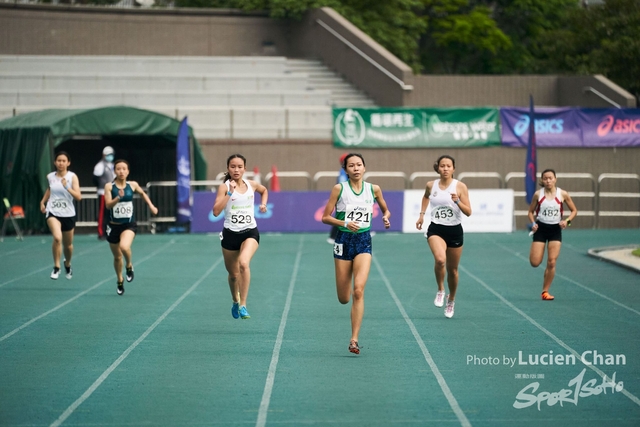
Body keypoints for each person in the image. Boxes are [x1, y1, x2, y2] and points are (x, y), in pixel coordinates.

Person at [321, 153, 391, 355]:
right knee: (344, 298)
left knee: (358, 290)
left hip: (363, 241)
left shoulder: (374, 189)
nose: (356, 168)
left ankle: (354, 339)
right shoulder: (339, 189)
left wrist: (386, 218)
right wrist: (343, 223)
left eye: (359, 164)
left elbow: (386, 210)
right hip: (343, 241)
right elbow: (326, 217)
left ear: (364, 168)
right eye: (351, 165)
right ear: (346, 170)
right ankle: (346, 301)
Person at [212, 154, 268, 320]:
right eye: (233, 167)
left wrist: (263, 204)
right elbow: (215, 212)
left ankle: (243, 304)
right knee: (233, 275)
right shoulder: (225, 187)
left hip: (250, 231)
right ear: (228, 168)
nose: (236, 170)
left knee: (244, 263)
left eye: (240, 167)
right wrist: (229, 194)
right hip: (230, 234)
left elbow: (264, 190)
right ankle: (235, 300)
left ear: (245, 168)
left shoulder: (251, 184)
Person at [416, 155, 471, 319]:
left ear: (453, 169)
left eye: (448, 166)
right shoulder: (430, 185)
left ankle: (451, 300)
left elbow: (468, 212)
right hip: (436, 229)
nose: (445, 169)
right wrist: (421, 215)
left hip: (454, 230)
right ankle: (440, 289)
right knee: (440, 260)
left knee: (452, 270)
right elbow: (426, 196)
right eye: (442, 166)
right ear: (438, 168)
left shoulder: (460, 187)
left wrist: (458, 201)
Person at [104, 159, 158, 295]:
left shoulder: (132, 185)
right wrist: (118, 198)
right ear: (115, 171)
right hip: (113, 226)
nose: (121, 171)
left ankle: (129, 265)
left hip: (128, 225)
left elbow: (142, 193)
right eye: (118, 169)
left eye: (124, 169)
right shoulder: (109, 187)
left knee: (124, 247)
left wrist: (151, 206)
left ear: (128, 171)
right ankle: (119, 280)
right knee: (117, 257)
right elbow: (108, 205)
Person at [527, 169, 578, 301]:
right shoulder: (538, 195)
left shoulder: (563, 194)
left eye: (550, 178)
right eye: (545, 178)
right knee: (535, 262)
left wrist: (567, 221)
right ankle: (538, 255)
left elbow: (574, 210)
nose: (548, 181)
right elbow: (530, 212)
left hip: (555, 229)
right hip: (541, 229)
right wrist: (533, 223)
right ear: (542, 181)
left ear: (555, 179)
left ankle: (545, 291)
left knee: (551, 262)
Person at [40, 151, 82, 280]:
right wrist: (43, 202)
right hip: (53, 212)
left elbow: (78, 197)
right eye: (59, 160)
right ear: (55, 162)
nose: (61, 163)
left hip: (68, 214)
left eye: (64, 161)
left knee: (68, 245)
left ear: (68, 163)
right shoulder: (50, 176)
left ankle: (67, 263)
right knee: (57, 238)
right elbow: (50, 189)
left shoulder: (72, 177)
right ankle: (56, 267)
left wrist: (67, 187)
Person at [327, 152, 349, 244]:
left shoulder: (346, 171)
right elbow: (342, 184)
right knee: (340, 216)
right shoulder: (343, 172)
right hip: (344, 197)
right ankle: (332, 236)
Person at [93, 146, 115, 240]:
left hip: (111, 192)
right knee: (102, 213)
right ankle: (101, 232)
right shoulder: (100, 165)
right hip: (103, 192)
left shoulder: (112, 165)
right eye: (108, 155)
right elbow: (95, 179)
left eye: (111, 154)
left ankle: (109, 231)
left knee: (110, 213)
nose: (109, 156)